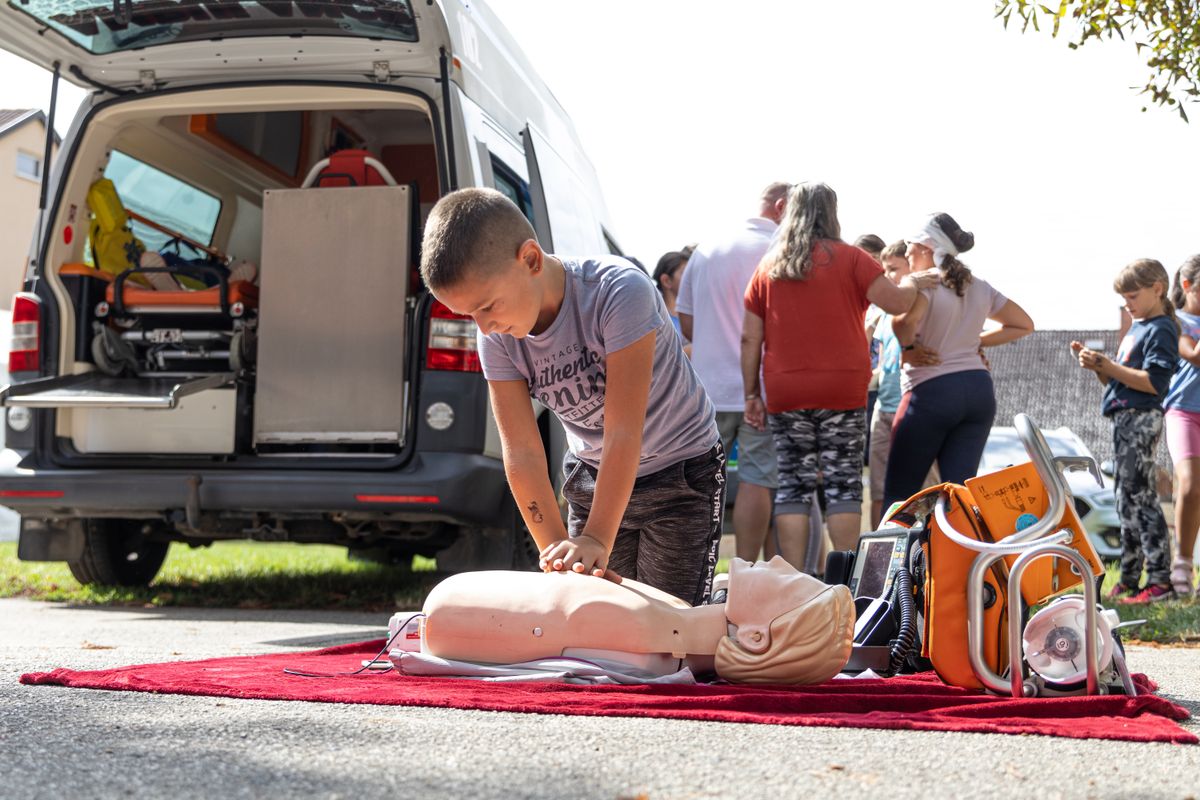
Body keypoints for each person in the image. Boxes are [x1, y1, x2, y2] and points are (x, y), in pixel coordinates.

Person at [420, 188, 724, 605]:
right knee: (593, 620)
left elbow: (622, 430)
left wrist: (598, 537)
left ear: (529, 259)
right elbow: (522, 453)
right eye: (470, 315)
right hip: (595, 475)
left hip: (681, 474)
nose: (485, 328)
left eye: (488, 306)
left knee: (669, 628)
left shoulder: (619, 293)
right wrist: (556, 554)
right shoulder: (497, 337)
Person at [740, 182, 940, 566]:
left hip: (786, 389)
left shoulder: (769, 268)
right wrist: (912, 282)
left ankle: (796, 577)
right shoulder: (852, 259)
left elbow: (751, 338)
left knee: (793, 486)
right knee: (843, 484)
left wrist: (752, 392)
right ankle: (846, 579)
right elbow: (897, 302)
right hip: (843, 388)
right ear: (832, 213)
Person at [409, 556, 855, 685]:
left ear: (756, 638)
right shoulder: (668, 618)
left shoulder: (649, 630)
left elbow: (449, 615)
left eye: (788, 583)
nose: (777, 560)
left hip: (452, 607)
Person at [883, 213, 1034, 509]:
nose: (907, 253)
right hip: (978, 392)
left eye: (910, 246)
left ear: (926, 248)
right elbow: (1024, 324)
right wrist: (975, 342)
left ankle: (884, 556)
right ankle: (965, 556)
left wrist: (909, 346)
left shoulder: (925, 284)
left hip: (930, 392)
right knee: (959, 497)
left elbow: (901, 325)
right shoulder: (978, 285)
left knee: (899, 496)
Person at [676, 182, 789, 562]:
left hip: (707, 389)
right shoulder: (781, 248)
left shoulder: (707, 248)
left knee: (703, 482)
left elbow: (687, 323)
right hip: (761, 387)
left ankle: (698, 568)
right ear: (781, 207)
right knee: (758, 479)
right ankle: (743, 569)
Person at [1072, 259, 1179, 604]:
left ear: (1157, 290)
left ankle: (1160, 580)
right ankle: (1131, 577)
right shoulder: (1137, 327)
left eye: (1133, 296)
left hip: (1142, 417)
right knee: (1125, 500)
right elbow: (1118, 379)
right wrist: (1098, 367)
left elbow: (1153, 382)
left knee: (1141, 497)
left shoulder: (1161, 328)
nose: (1128, 305)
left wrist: (1109, 366)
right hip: (1122, 417)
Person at [864, 241, 940, 526]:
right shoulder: (882, 312)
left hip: (916, 406)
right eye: (884, 270)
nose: (888, 277)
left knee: (927, 491)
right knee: (879, 492)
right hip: (883, 407)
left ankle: (929, 555)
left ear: (912, 269)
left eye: (894, 269)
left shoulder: (928, 303)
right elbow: (882, 365)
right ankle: (877, 550)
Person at [1165, 254, 1200, 597]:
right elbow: (1193, 355)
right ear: (1188, 286)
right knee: (1189, 485)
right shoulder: (1176, 322)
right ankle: (1182, 566)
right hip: (1183, 411)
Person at [651, 249, 690, 341]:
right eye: (686, 274)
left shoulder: (696, 313)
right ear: (666, 281)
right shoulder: (655, 320)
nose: (692, 279)